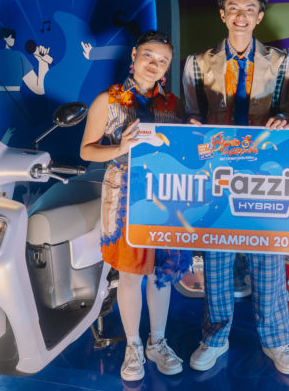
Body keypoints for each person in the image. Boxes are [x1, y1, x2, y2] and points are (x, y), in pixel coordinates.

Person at [182, 0, 289, 375]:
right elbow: (190, 116)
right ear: (222, 14)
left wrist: (282, 120)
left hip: (263, 174)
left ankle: (276, 340)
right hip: (217, 171)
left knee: (268, 257)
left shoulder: (281, 63)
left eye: (249, 8)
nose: (241, 15)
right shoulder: (198, 63)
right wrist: (193, 126)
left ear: (259, 16)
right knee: (217, 258)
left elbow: (288, 112)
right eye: (233, 7)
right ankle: (215, 338)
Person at [80, 30, 191, 382]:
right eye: (149, 56)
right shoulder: (108, 100)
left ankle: (157, 343)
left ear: (168, 67)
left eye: (163, 61)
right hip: (127, 195)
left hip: (167, 194)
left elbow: (182, 149)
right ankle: (133, 346)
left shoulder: (174, 104)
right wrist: (119, 148)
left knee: (163, 273)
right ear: (134, 56)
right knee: (130, 274)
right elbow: (86, 150)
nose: (154, 64)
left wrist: (193, 134)